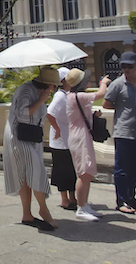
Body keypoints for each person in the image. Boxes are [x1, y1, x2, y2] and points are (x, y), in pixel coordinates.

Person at [2, 67, 62, 231]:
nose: (54, 88)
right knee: (35, 171)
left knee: (28, 173)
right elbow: (23, 114)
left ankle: (27, 214)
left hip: (31, 137)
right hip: (19, 137)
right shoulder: (26, 91)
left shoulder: (38, 92)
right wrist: (41, 101)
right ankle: (43, 209)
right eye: (53, 85)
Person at [103, 52, 136, 214]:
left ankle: (131, 197)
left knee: (135, 168)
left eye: (129, 66)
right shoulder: (118, 84)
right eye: (123, 66)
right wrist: (124, 110)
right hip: (123, 132)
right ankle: (121, 200)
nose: (126, 69)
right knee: (122, 168)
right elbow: (106, 104)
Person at [66, 68, 112, 222]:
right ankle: (81, 207)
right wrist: (104, 83)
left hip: (79, 135)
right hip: (80, 137)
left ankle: (84, 205)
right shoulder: (78, 96)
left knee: (87, 172)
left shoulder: (74, 96)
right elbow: (100, 94)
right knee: (84, 172)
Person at [46, 67, 78, 210]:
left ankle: (72, 197)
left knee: (71, 170)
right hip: (60, 141)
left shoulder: (67, 94)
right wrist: (57, 128)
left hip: (68, 139)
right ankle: (65, 199)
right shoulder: (59, 96)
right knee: (63, 170)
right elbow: (50, 113)